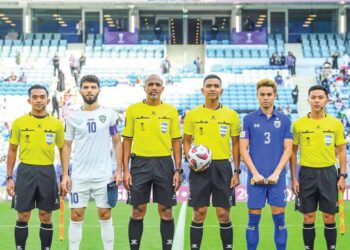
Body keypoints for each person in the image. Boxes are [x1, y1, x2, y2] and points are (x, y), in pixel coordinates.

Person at [60, 75, 123, 250]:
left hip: (103, 176)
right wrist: (65, 175)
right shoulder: (72, 117)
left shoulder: (109, 115)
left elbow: (117, 142)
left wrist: (119, 170)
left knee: (105, 214)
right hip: (79, 176)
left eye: (93, 87)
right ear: (80, 91)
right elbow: (66, 145)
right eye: (86, 87)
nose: (89, 90)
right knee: (76, 214)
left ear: (99, 90)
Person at [122, 74, 182, 250]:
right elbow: (127, 141)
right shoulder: (133, 110)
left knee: (166, 210)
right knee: (137, 210)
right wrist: (126, 170)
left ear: (163, 88)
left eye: (157, 84)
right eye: (150, 84)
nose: (154, 87)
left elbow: (176, 142)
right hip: (140, 164)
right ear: (144, 88)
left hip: (165, 164)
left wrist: (178, 170)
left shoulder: (170, 111)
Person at [183, 74, 241, 250]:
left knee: (223, 214)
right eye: (209, 85)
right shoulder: (192, 115)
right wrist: (190, 158)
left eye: (216, 85)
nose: (212, 88)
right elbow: (186, 140)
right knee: (199, 213)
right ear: (202, 90)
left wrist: (236, 171)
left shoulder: (231, 115)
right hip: (199, 169)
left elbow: (236, 143)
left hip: (223, 167)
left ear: (221, 90)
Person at [6, 85, 64, 250]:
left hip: (47, 171)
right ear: (29, 100)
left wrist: (64, 175)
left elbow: (62, 150)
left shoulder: (56, 124)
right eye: (35, 97)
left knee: (46, 216)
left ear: (47, 99)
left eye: (42, 97)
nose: (39, 100)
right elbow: (12, 150)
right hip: (25, 171)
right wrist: (9, 178)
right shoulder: (19, 122)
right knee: (23, 215)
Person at [290, 85, 347, 250]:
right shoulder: (299, 125)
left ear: (327, 99)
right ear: (308, 99)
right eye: (313, 97)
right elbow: (292, 153)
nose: (316, 100)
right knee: (308, 217)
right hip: (306, 174)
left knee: (329, 217)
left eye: (320, 97)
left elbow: (342, 150)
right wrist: (294, 178)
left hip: (328, 173)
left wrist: (342, 176)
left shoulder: (335, 123)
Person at [240, 79, 292, 250]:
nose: (266, 98)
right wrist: (254, 173)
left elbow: (288, 149)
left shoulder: (285, 120)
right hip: (256, 180)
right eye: (262, 94)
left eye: (269, 94)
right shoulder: (248, 119)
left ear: (275, 96)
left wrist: (277, 173)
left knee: (280, 220)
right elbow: (243, 149)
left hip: (277, 179)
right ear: (257, 96)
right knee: (253, 221)